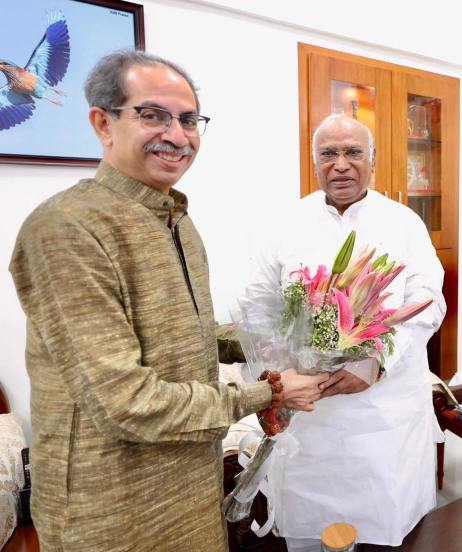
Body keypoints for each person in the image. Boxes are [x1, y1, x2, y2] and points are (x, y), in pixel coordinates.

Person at [8, 51, 328, 552]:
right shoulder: (68, 228)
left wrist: (279, 339)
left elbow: (184, 337)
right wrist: (267, 393)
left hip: (192, 490)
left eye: (188, 119)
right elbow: (125, 403)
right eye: (153, 114)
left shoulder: (176, 219)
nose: (177, 135)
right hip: (111, 507)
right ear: (103, 123)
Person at [242, 114, 446, 550]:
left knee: (389, 533)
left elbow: (428, 303)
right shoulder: (285, 224)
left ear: (372, 159)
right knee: (311, 532)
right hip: (310, 420)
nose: (341, 164)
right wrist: (274, 380)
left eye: (353, 152)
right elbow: (256, 306)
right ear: (314, 162)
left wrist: (377, 363)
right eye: (328, 153)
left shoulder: (405, 223)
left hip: (384, 417)